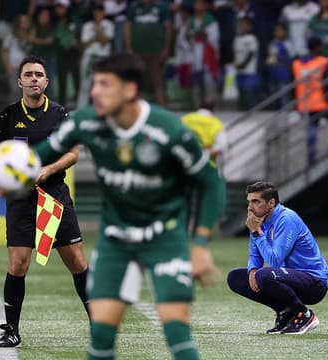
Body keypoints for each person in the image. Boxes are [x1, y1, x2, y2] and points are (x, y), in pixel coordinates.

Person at [31, 54, 225, 359]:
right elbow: (40, 153)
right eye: (94, 83)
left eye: (105, 84)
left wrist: (199, 243)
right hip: (116, 240)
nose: (95, 92)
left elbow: (211, 183)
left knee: (177, 333)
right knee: (101, 336)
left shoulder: (169, 130)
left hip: (165, 238)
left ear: (130, 90)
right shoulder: (86, 122)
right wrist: (7, 170)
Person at [0, 55, 89, 348]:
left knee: (78, 262)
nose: (34, 78)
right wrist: (8, 174)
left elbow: (73, 154)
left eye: (38, 74)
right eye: (28, 74)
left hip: (55, 196)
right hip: (21, 200)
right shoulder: (6, 117)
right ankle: (11, 331)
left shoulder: (60, 115)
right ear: (19, 82)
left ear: (46, 81)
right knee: (18, 264)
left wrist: (48, 170)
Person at [226, 182, 328, 335]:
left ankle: (305, 315)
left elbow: (274, 260)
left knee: (264, 275)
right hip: (286, 279)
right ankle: (286, 311)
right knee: (236, 277)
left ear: (271, 203)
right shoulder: (257, 221)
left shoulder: (286, 218)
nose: (250, 207)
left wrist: (257, 233)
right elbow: (255, 255)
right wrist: (252, 270)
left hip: (313, 283)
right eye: (249, 202)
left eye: (256, 202)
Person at [293, 37, 328, 164]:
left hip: (305, 104)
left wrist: (296, 104)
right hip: (323, 103)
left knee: (311, 131)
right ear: (317, 47)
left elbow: (293, 85)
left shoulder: (297, 64)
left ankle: (311, 160)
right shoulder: (323, 61)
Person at [181, 97, 228, 172]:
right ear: (214, 108)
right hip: (207, 167)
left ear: (198, 106)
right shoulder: (216, 123)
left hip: (186, 164)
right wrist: (204, 153)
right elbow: (221, 145)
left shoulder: (185, 119)